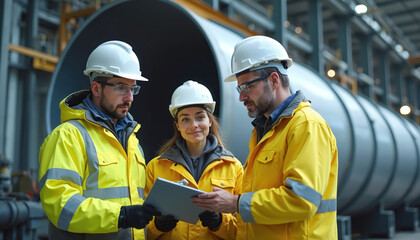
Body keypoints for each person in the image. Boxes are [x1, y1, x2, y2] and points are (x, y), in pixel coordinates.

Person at [191, 35, 338, 239]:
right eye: (239, 89)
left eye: (247, 87)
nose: (241, 97)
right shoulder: (265, 132)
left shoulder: (305, 125)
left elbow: (301, 200)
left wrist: (234, 202)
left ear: (274, 80)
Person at [38, 40, 160, 240]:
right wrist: (119, 216)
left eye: (133, 89)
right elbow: (59, 202)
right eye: (121, 87)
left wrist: (157, 221)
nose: (130, 97)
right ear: (96, 88)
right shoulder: (69, 136)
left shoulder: (132, 141)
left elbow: (137, 205)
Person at [145, 80, 244, 239]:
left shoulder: (234, 168)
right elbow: (138, 231)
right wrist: (157, 225)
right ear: (177, 125)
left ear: (210, 121)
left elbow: (246, 231)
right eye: (185, 119)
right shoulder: (155, 167)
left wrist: (220, 222)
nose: (194, 125)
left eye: (200, 117)